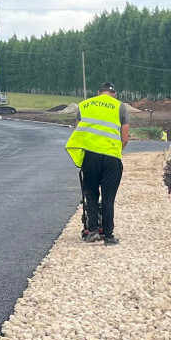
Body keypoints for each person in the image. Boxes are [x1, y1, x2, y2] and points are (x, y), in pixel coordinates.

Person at [65, 82, 130, 245]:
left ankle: (92, 231)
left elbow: (78, 132)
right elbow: (125, 137)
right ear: (113, 94)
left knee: (91, 194)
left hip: (90, 157)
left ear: (98, 92)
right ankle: (108, 236)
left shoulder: (84, 105)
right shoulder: (120, 107)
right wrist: (115, 151)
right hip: (111, 159)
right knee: (108, 198)